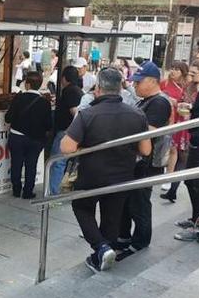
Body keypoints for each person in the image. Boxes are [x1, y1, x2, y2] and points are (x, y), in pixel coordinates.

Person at [61, 68, 151, 273]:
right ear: (120, 88)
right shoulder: (137, 114)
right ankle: (101, 254)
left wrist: (84, 147)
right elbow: (146, 150)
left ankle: (100, 247)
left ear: (98, 88)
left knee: (82, 207)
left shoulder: (88, 114)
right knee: (112, 216)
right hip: (122, 175)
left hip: (91, 175)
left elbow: (66, 148)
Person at [115, 62, 171, 260]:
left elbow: (150, 131)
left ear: (152, 81)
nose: (136, 85)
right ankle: (123, 236)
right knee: (128, 200)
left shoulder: (159, 102)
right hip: (137, 161)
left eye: (139, 82)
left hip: (147, 162)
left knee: (139, 203)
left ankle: (140, 241)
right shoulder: (145, 100)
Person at [5, 72, 52, 199]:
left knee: (16, 163)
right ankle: (27, 192)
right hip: (36, 140)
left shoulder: (18, 98)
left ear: (27, 84)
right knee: (31, 165)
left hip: (17, 137)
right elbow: (48, 125)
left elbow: (8, 118)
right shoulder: (45, 102)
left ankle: (16, 190)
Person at [174, 59, 199, 241]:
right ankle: (196, 218)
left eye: (193, 74)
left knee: (198, 183)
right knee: (189, 180)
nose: (190, 77)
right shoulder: (196, 87)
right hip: (196, 137)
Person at [48, 66, 83, 195]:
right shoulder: (77, 90)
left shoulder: (70, 91)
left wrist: (71, 131)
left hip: (65, 132)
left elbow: (75, 112)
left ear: (64, 78)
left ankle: (53, 193)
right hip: (69, 132)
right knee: (59, 162)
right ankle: (54, 189)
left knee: (57, 162)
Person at [160, 61, 190, 202]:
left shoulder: (186, 87)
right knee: (166, 147)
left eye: (177, 69)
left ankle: (169, 176)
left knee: (174, 149)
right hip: (166, 118)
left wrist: (176, 103)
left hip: (179, 119)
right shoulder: (164, 84)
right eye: (172, 68)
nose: (173, 71)